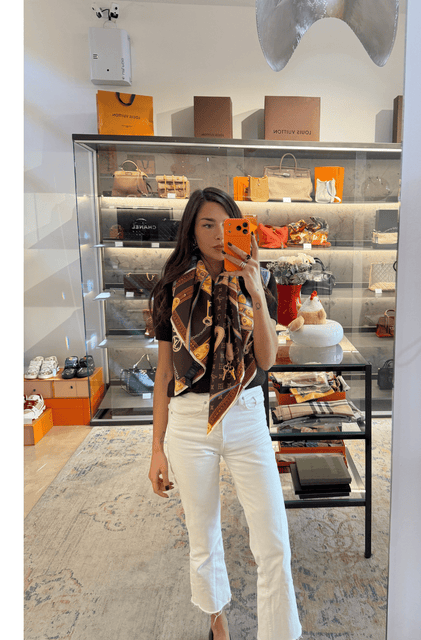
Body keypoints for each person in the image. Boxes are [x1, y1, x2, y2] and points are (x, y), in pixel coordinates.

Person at [148, 187, 302, 640]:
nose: (218, 235)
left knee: (273, 540)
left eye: (227, 224)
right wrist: (156, 448)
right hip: (188, 421)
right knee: (203, 535)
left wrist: (255, 291)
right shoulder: (172, 289)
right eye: (207, 225)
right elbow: (163, 375)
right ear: (192, 234)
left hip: (246, 413)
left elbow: (267, 360)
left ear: (243, 229)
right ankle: (218, 623)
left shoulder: (260, 279)